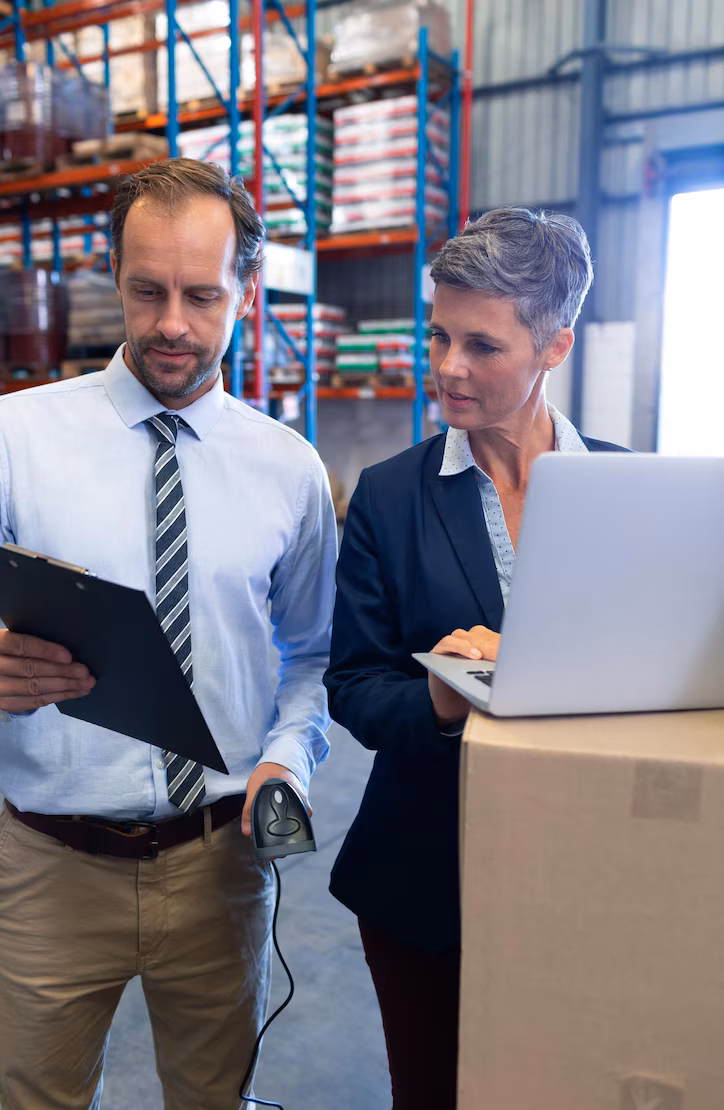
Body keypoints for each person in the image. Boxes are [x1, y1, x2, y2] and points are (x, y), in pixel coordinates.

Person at [0, 158, 337, 1110]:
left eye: (201, 294)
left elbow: (312, 658)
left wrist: (289, 762)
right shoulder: (8, 441)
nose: (172, 323)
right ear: (115, 279)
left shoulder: (290, 470)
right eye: (147, 291)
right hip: (50, 870)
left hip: (221, 866)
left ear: (247, 294)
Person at [324, 207, 629, 1109]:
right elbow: (355, 688)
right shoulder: (388, 497)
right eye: (439, 335)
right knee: (434, 1090)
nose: (449, 366)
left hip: (586, 866)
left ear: (554, 347)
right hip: (424, 875)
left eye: (483, 346)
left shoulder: (625, 492)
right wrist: (447, 696)